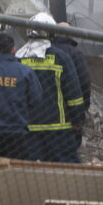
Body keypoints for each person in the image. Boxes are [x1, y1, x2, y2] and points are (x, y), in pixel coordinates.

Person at [18, 12, 85, 163]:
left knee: (30, 173)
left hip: (27, 129)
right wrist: (78, 120)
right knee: (66, 171)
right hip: (57, 129)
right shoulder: (61, 58)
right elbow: (73, 94)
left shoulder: (19, 58)